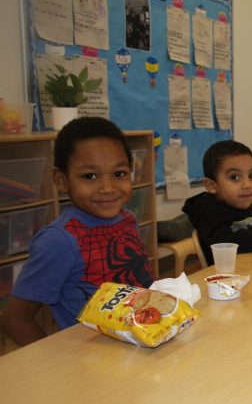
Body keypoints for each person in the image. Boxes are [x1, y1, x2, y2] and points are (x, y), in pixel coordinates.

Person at [1, 117, 153, 347]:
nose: (108, 188)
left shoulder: (127, 219)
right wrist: (57, 365)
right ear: (62, 180)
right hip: (95, 361)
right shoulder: (58, 240)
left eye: (119, 173)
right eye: (90, 176)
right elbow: (16, 319)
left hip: (145, 338)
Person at [182, 140, 252, 265]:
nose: (247, 185)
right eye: (235, 177)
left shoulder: (240, 205)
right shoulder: (210, 213)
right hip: (228, 280)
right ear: (212, 185)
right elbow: (225, 243)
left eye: (251, 176)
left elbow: (251, 234)